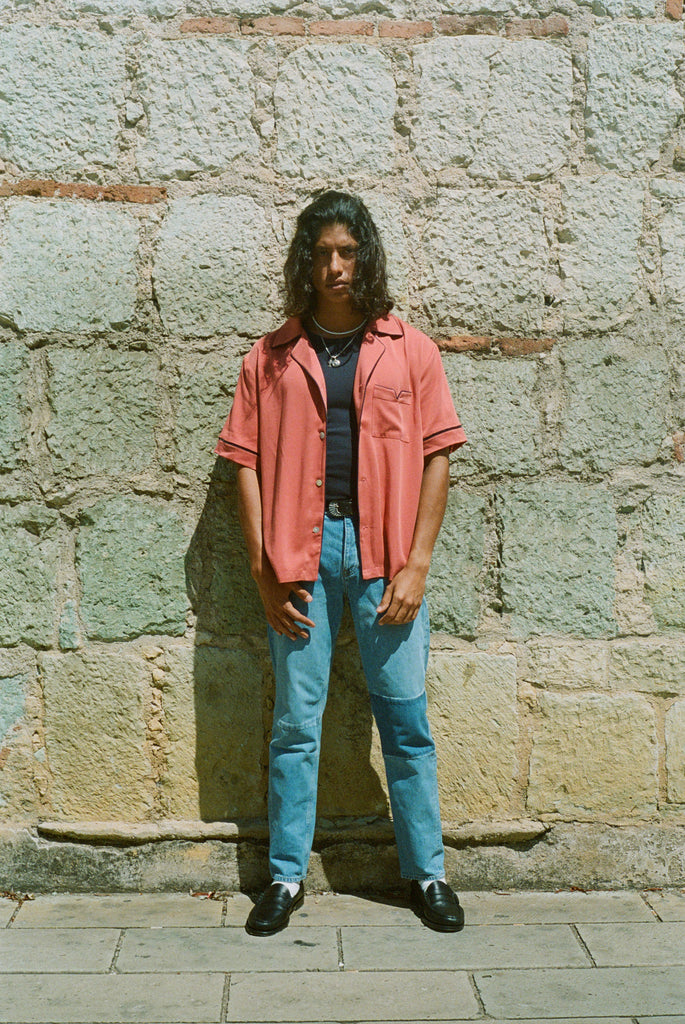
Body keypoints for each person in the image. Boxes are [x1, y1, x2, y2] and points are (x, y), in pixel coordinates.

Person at [215, 191, 467, 936]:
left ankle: (426, 873)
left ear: (366, 257)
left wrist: (417, 564)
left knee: (405, 718)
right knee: (297, 722)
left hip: (383, 555)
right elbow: (245, 464)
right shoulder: (269, 356)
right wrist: (263, 570)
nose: (334, 266)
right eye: (321, 252)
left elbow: (438, 457)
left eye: (347, 252)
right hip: (299, 557)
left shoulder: (408, 349)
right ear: (305, 259)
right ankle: (285, 878)